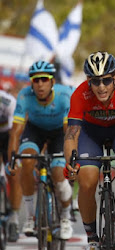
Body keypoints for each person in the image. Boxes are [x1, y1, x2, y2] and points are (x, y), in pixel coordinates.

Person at [63, 51, 115, 250]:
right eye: (95, 81)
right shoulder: (79, 94)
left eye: (107, 80)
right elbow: (71, 134)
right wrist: (70, 164)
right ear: (88, 81)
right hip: (90, 133)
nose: (101, 87)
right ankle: (92, 235)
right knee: (87, 180)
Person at [7, 60, 74, 240]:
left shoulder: (65, 95)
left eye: (44, 79)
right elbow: (15, 132)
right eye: (35, 80)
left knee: (59, 175)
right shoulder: (24, 96)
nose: (40, 84)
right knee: (27, 162)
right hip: (35, 130)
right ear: (31, 83)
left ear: (52, 81)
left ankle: (66, 217)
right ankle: (31, 216)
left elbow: (69, 131)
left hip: (60, 132)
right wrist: (12, 160)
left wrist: (70, 158)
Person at [0, 89, 18, 242]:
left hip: (7, 134)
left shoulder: (8, 101)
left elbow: (14, 133)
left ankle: (14, 218)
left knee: (13, 173)